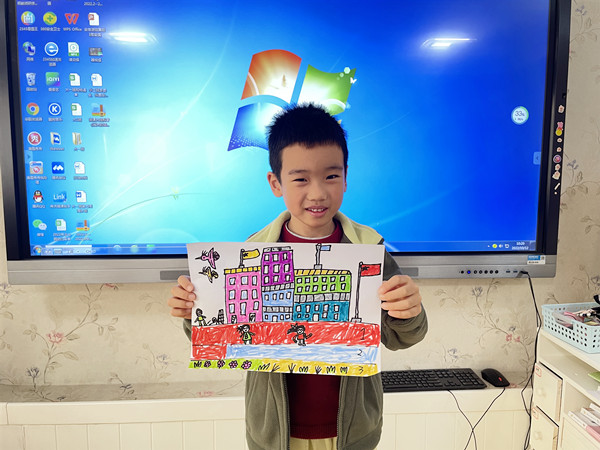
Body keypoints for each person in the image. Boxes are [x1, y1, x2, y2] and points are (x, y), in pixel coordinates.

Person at [168, 103, 428, 450]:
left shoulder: (370, 250)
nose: (317, 192)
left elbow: (402, 337)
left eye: (331, 176)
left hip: (353, 434)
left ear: (346, 177)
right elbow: (221, 336)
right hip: (274, 435)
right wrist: (193, 312)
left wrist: (408, 311)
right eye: (301, 178)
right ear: (275, 183)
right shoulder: (250, 253)